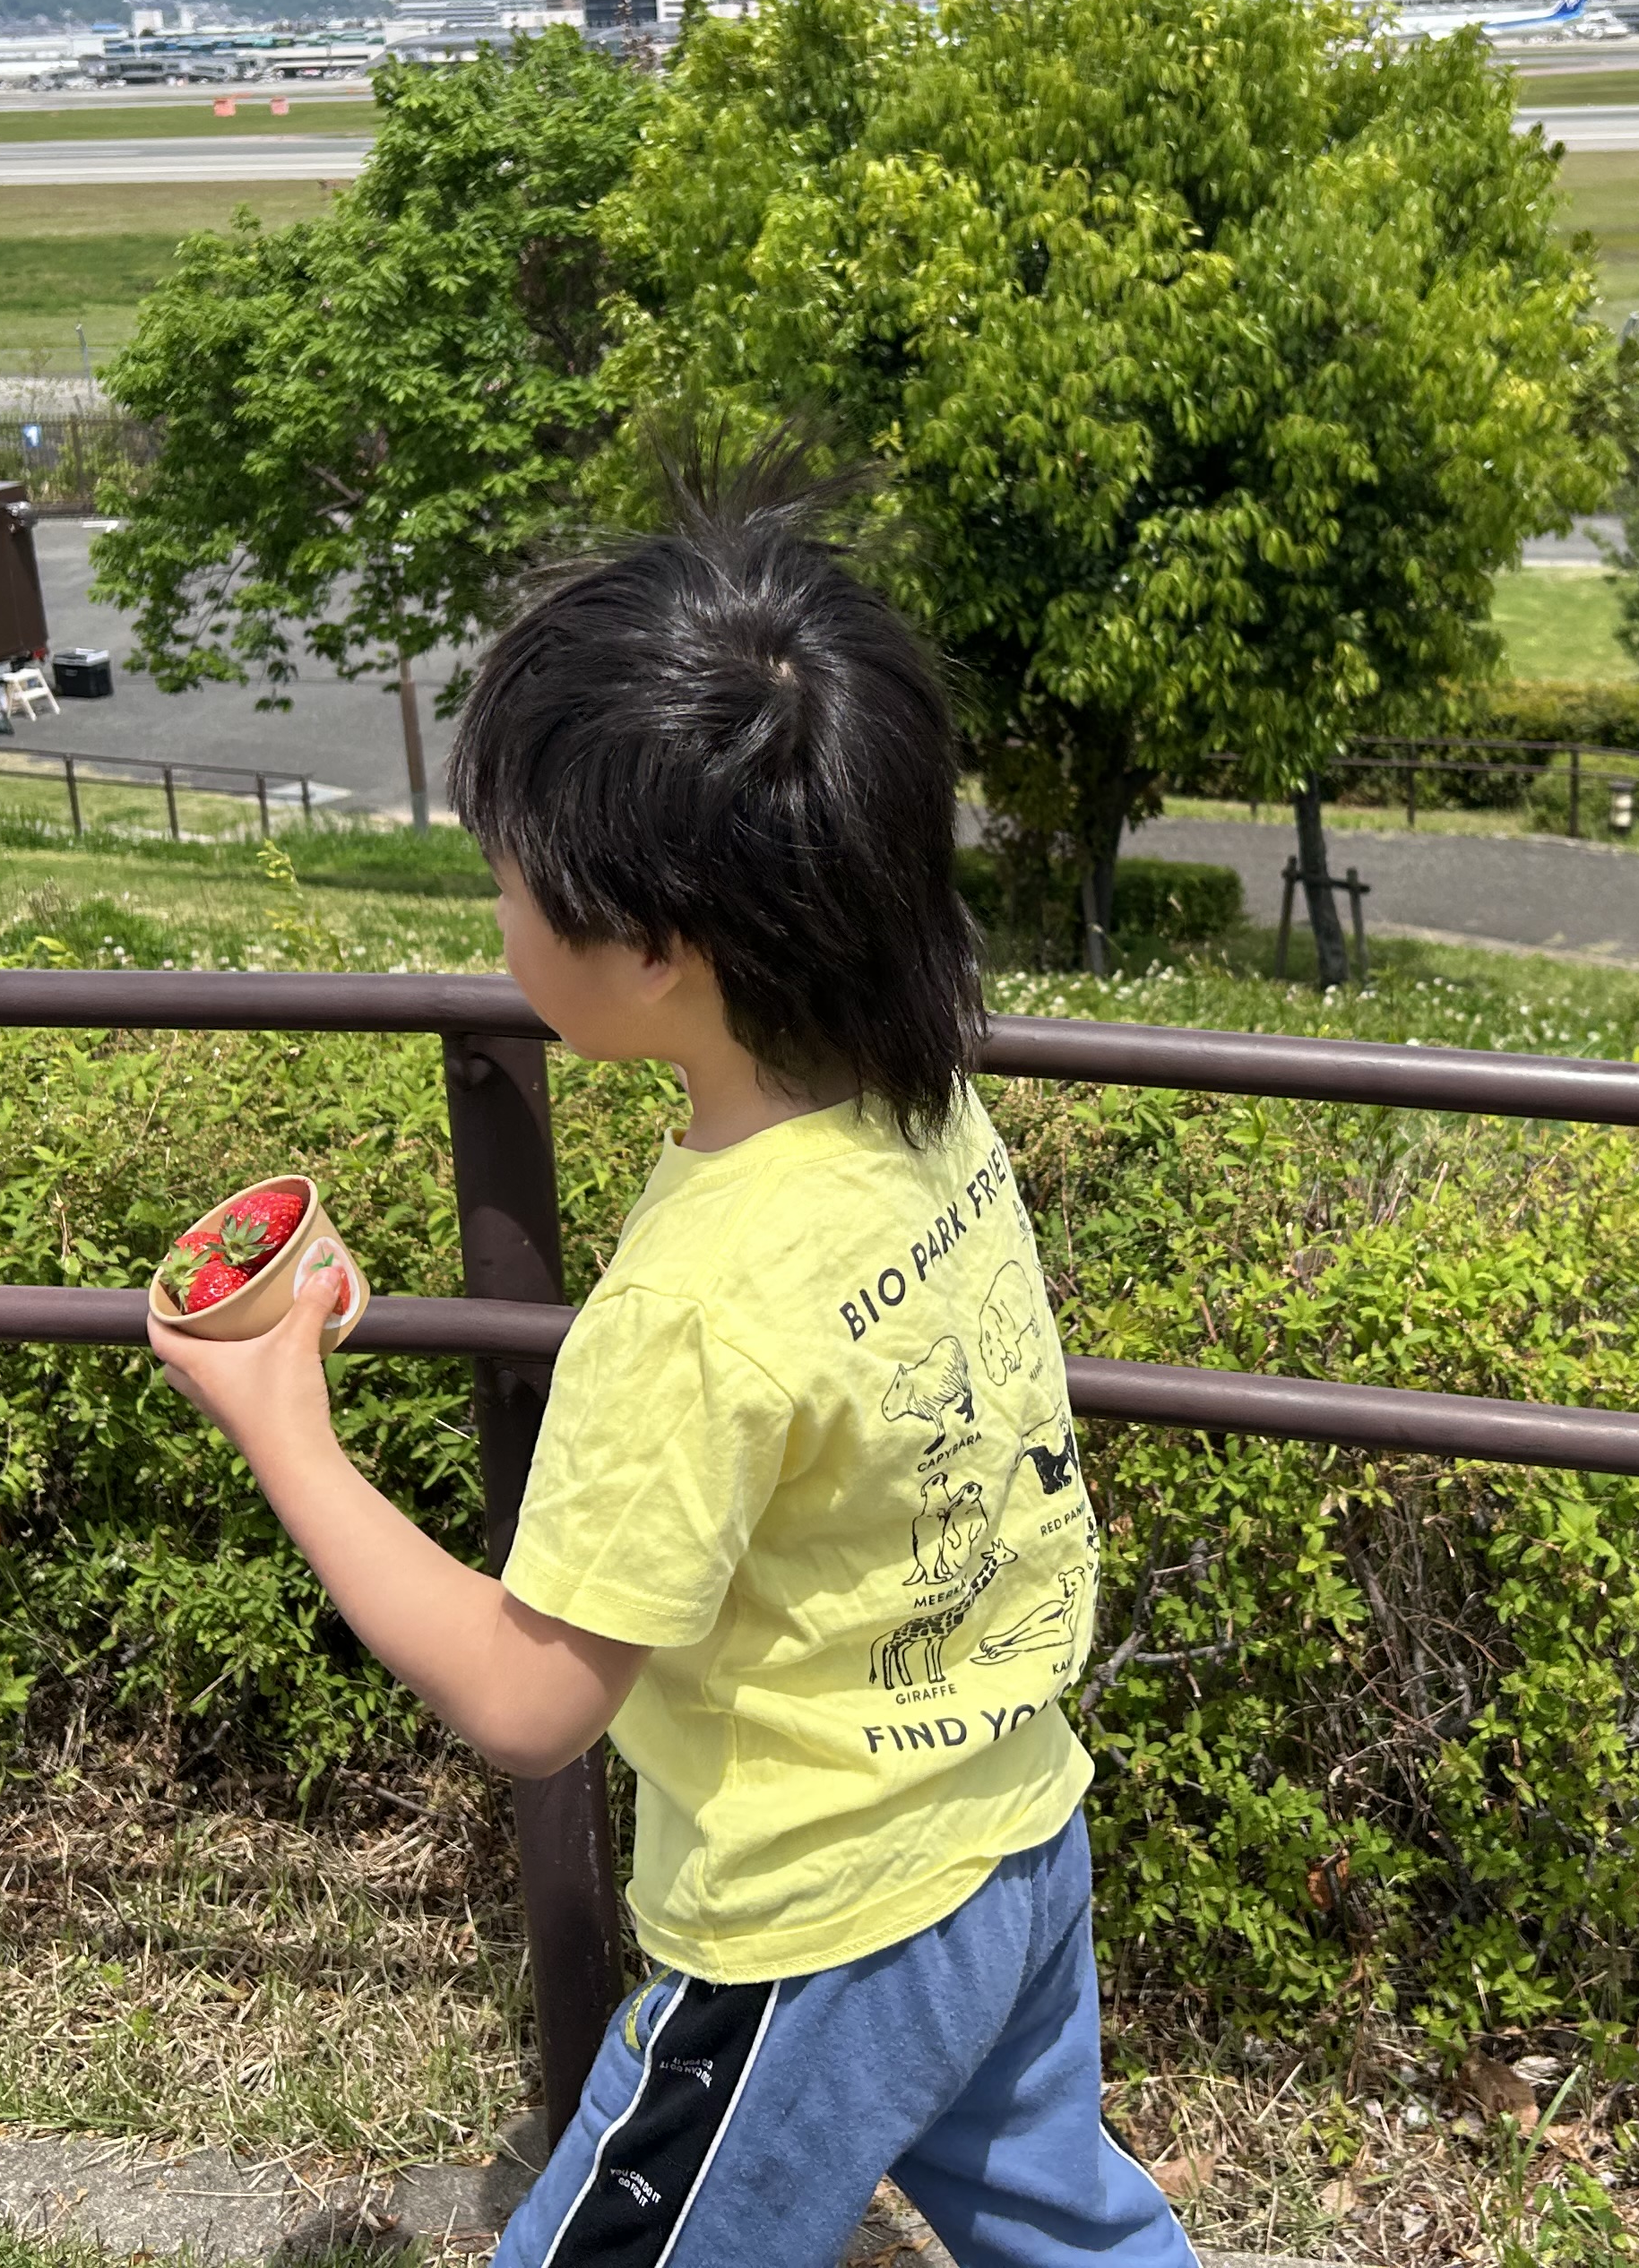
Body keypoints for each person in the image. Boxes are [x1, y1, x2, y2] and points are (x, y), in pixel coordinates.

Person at [149, 504, 1195, 2268]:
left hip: (819, 1937)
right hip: (1015, 1828)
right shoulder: (926, 1108)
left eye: (510, 879)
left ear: (654, 949)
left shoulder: (697, 1302)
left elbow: (528, 1700)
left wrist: (286, 1429)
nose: (495, 910)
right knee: (1072, 2232)